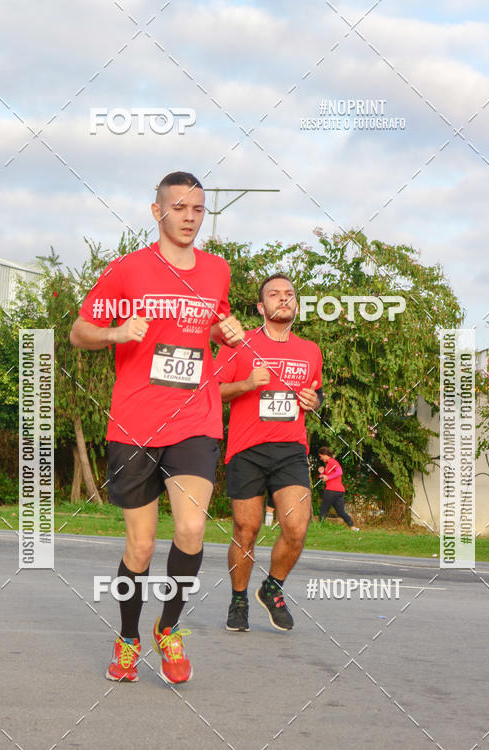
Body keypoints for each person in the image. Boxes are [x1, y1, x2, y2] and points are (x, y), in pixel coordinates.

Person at [70, 171, 244, 683]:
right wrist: (115, 332)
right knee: (140, 547)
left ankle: (169, 630)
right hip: (135, 423)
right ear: (157, 212)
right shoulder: (127, 270)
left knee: (191, 528)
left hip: (196, 416)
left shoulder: (217, 271)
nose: (189, 218)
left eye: (197, 209)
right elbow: (80, 331)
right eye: (179, 208)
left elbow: (211, 326)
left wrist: (225, 331)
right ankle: (128, 638)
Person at [216, 274, 323, 633]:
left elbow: (314, 392)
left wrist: (315, 400)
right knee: (247, 529)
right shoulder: (239, 343)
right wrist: (247, 384)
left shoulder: (310, 350)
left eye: (289, 295)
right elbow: (210, 393)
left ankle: (272, 588)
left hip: (291, 449)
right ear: (261, 307)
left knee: (297, 526)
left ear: (296, 305)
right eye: (274, 295)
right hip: (246, 449)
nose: (283, 300)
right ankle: (239, 599)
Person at [317, 447, 359, 530]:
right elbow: (326, 477)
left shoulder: (332, 461)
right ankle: (353, 527)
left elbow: (340, 472)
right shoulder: (328, 464)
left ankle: (319, 528)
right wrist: (322, 474)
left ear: (324, 455)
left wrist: (328, 477)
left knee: (323, 510)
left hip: (331, 490)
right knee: (341, 512)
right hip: (339, 491)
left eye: (320, 456)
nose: (320, 458)